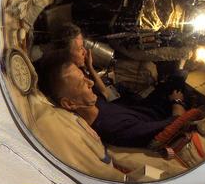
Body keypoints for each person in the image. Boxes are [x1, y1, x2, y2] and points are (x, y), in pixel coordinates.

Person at [38, 50, 181, 150]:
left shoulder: (90, 103)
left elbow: (105, 93)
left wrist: (90, 67)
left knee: (175, 77)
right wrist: (177, 102)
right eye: (83, 83)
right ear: (69, 103)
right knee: (180, 78)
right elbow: (174, 126)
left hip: (143, 108)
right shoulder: (114, 127)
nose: (90, 83)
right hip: (161, 115)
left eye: (85, 77)